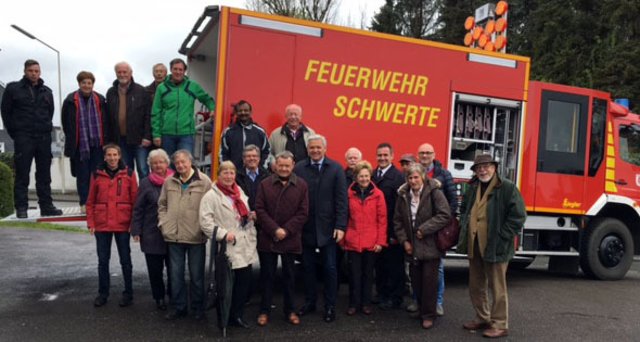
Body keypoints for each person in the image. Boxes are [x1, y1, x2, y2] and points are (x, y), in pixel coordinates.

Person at [458, 154, 526, 338]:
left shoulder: (507, 188)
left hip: (496, 246)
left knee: (497, 287)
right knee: (476, 285)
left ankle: (500, 324)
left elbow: (518, 216)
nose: (482, 170)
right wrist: (464, 224)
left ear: (494, 168)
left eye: (486, 166)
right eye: (479, 167)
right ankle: (483, 318)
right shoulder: (472, 187)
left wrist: (503, 236)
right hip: (474, 244)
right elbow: (464, 209)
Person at [294, 134, 348, 323]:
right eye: (312, 148)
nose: (315, 151)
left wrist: (341, 226)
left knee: (330, 268)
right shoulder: (300, 168)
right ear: (307, 149)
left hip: (329, 229)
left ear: (325, 149)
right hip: (306, 228)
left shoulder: (335, 169)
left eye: (318, 147)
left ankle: (330, 306)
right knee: (307, 268)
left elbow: (342, 200)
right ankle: (310, 302)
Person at [1, 59, 62, 218]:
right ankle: (22, 207)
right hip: (23, 136)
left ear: (40, 72)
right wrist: (15, 132)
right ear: (25, 71)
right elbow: (6, 113)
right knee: (22, 172)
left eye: (36, 71)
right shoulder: (13, 89)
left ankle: (46, 206)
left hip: (43, 137)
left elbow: (50, 112)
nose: (34, 74)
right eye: (31, 71)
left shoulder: (46, 92)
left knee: (44, 174)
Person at [200, 161, 258, 328]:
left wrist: (250, 215)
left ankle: (237, 316)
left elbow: (242, 213)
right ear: (219, 175)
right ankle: (223, 317)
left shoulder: (239, 191)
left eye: (231, 173)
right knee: (224, 286)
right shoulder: (211, 196)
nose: (228, 176)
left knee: (242, 285)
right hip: (227, 246)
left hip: (244, 244)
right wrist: (223, 235)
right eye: (225, 173)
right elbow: (205, 222)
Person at [254, 151, 309, 326]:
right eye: (281, 165)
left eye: (287, 165)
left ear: (293, 166)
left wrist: (286, 230)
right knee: (267, 277)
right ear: (275, 166)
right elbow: (259, 209)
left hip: (290, 238)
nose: (284, 168)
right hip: (268, 238)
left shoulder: (301, 185)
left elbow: (303, 213)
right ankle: (264, 311)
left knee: (289, 277)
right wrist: (274, 229)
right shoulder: (264, 184)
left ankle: (290, 310)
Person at [393, 163, 451, 330]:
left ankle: (428, 315)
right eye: (410, 178)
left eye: (416, 177)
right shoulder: (403, 195)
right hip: (412, 246)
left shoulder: (435, 192)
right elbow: (397, 221)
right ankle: (421, 310)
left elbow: (444, 215)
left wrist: (424, 229)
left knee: (429, 282)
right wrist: (404, 241)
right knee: (416, 281)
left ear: (423, 177)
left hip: (430, 245)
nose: (413, 180)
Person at [158, 149, 212, 320]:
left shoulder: (204, 182)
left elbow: (211, 207)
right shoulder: (169, 182)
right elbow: (162, 205)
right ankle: (179, 307)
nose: (180, 165)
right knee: (175, 275)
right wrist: (164, 224)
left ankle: (198, 308)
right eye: (177, 162)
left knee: (197, 276)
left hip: (196, 236)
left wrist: (204, 228)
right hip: (174, 236)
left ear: (191, 162)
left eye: (184, 162)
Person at [86, 144, 138, 308]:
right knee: (103, 262)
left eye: (115, 155)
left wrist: (133, 224)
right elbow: (90, 202)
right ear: (104, 157)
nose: (112, 158)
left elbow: (135, 202)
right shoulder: (96, 174)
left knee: (126, 261)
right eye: (109, 155)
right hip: (102, 225)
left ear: (120, 156)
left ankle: (128, 294)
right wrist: (91, 223)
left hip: (122, 224)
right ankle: (103, 294)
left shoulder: (129, 174)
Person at [130, 149, 174, 311]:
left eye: (161, 162)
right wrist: (136, 230)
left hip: (173, 233)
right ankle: (159, 297)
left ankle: (174, 295)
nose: (158, 165)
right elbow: (138, 209)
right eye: (154, 163)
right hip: (151, 234)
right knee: (155, 271)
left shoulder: (175, 179)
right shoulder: (145, 183)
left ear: (167, 163)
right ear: (150, 165)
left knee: (174, 269)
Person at [418, 143, 458, 316]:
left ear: (434, 155)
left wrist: (443, 222)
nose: (425, 155)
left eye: (428, 153)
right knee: (417, 266)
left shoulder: (445, 175)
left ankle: (438, 302)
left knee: (438, 268)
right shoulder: (415, 173)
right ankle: (417, 300)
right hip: (419, 228)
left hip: (437, 229)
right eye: (422, 153)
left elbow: (453, 200)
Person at [343, 161, 387, 316]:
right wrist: (343, 239)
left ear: (370, 176)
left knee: (368, 275)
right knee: (354, 275)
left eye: (366, 176)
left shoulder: (378, 194)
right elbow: (345, 217)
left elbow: (382, 219)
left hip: (371, 241)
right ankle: (353, 304)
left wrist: (381, 241)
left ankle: (366, 303)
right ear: (355, 177)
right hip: (353, 240)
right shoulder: (348, 193)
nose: (364, 179)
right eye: (361, 176)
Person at [61, 71, 108, 212]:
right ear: (79, 84)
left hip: (97, 145)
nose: (87, 85)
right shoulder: (70, 100)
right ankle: (84, 203)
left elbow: (105, 121)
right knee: (82, 176)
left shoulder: (100, 99)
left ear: (92, 84)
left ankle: (98, 202)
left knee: (97, 174)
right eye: (84, 83)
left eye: (89, 83)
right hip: (80, 145)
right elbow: (66, 123)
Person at [151, 58, 215, 157]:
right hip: (167, 134)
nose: (178, 72)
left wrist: (212, 108)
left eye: (180, 69)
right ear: (171, 70)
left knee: (185, 163)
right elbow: (156, 112)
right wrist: (156, 135)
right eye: (175, 69)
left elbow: (206, 99)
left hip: (186, 134)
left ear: (184, 71)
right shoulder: (162, 88)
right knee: (169, 166)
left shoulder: (192, 86)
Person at [371, 143, 405, 311]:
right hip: (377, 231)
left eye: (385, 155)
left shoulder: (398, 178)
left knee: (394, 267)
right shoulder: (372, 175)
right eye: (379, 155)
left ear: (392, 156)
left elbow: (400, 210)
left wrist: (395, 233)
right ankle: (382, 293)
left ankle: (395, 297)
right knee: (380, 265)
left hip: (392, 231)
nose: (382, 158)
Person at [106, 62, 152, 178]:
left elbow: (148, 115)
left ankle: (144, 196)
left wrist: (147, 136)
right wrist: (109, 140)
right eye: (119, 72)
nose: (122, 75)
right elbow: (107, 118)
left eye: (125, 72)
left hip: (140, 139)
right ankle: (129, 196)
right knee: (126, 171)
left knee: (143, 170)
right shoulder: (111, 92)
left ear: (131, 73)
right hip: (120, 140)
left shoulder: (141, 91)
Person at [220, 100, 270, 170]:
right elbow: (223, 154)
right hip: (234, 175)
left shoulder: (260, 132)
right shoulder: (228, 132)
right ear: (236, 113)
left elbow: (266, 152)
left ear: (250, 112)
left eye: (246, 110)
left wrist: (261, 169)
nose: (243, 113)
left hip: (255, 176)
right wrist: (228, 170)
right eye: (240, 111)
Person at [235, 144, 269, 211]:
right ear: (244, 159)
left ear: (259, 158)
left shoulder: (267, 176)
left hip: (262, 214)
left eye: (254, 156)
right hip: (243, 214)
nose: (252, 158)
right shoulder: (236, 177)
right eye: (248, 156)